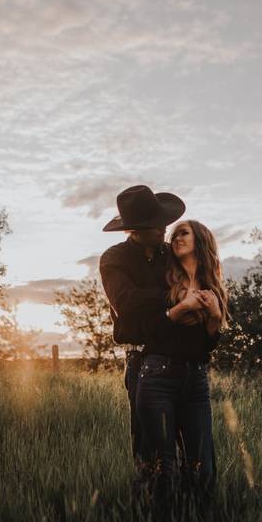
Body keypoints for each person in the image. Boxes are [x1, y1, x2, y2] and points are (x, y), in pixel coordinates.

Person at [99, 186, 205, 474]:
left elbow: (196, 292)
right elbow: (125, 303)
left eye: (162, 222)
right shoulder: (114, 258)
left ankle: (191, 513)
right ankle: (151, 515)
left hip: (182, 358)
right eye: (152, 225)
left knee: (196, 455)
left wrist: (184, 301)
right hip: (142, 361)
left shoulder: (174, 256)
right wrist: (174, 297)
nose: (162, 229)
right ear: (134, 229)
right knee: (152, 455)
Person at [136, 219, 228, 522]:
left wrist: (214, 317)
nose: (176, 238)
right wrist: (179, 309)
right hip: (157, 375)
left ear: (201, 239)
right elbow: (149, 331)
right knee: (165, 465)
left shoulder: (213, 286)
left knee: (200, 462)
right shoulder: (163, 280)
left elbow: (208, 345)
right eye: (174, 234)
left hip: (196, 380)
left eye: (184, 233)